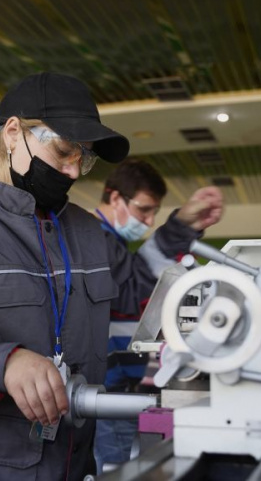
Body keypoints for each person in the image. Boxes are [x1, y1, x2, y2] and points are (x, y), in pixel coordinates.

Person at [0, 71, 223, 480]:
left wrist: (180, 228)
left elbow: (139, 290)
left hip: (71, 466)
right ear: (13, 133)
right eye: (65, 150)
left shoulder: (86, 232)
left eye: (83, 158)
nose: (72, 172)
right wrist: (1, 363)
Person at [93, 159, 223, 470]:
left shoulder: (112, 244)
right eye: (144, 210)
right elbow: (134, 292)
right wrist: (180, 227)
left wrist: (183, 225)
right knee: (116, 469)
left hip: (113, 388)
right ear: (115, 198)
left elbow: (136, 277)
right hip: (104, 391)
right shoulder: (95, 241)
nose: (149, 221)